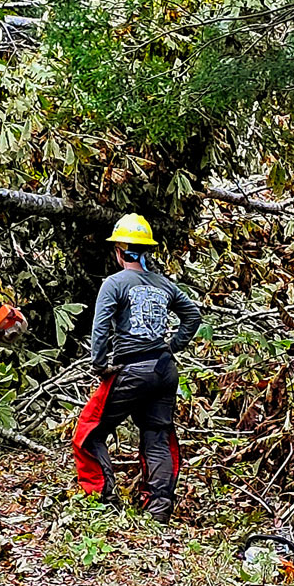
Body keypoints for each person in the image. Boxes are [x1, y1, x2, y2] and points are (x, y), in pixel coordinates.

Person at [73, 213, 202, 523]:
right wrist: (172, 346)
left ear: (120, 250)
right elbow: (193, 316)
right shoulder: (165, 285)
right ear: (146, 251)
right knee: (157, 435)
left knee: (89, 433)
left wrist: (100, 363)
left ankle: (101, 498)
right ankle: (158, 509)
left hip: (132, 369)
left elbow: (101, 326)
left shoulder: (114, 283)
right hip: (164, 370)